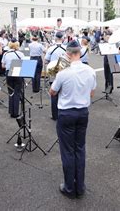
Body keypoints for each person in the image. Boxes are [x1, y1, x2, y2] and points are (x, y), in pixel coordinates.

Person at [49, 40, 96, 198]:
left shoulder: (63, 73)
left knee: (68, 151)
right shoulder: (90, 71)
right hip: (83, 113)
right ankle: (80, 186)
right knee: (80, 149)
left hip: (67, 114)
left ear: (68, 54)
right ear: (79, 53)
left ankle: (69, 187)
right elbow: (91, 93)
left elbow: (52, 92)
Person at [45, 32, 67, 120]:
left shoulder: (51, 48)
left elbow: (46, 60)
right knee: (64, 94)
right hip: (64, 71)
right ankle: (63, 113)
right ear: (62, 38)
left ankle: (55, 115)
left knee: (53, 94)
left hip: (53, 72)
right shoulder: (66, 48)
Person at [2, 39, 25, 118]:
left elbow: (3, 66)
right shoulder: (20, 54)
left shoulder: (6, 54)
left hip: (9, 73)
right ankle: (16, 112)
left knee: (11, 92)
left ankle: (11, 111)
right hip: (17, 72)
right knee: (17, 92)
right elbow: (24, 64)